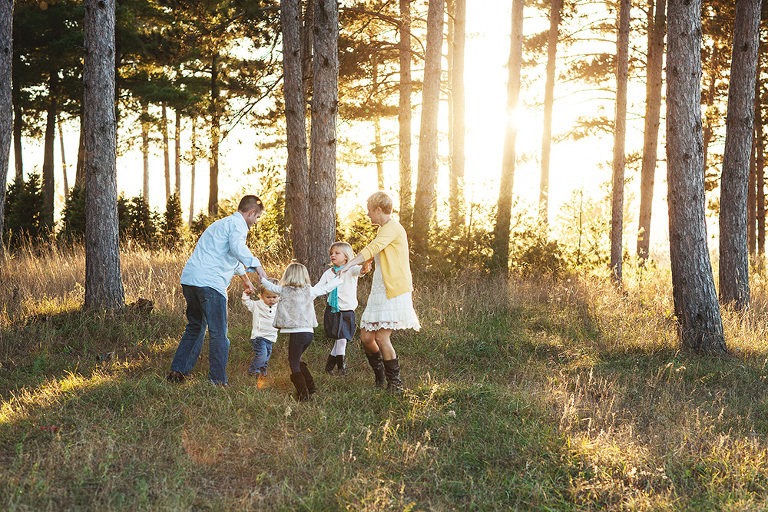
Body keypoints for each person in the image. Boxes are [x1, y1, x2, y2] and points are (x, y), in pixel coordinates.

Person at [166, 195, 268, 386]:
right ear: (251, 212)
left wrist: (246, 280)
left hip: (190, 280)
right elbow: (237, 248)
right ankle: (218, 380)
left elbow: (229, 255)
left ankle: (177, 371)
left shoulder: (221, 224)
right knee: (219, 333)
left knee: (195, 326)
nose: (256, 222)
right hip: (210, 284)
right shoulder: (238, 226)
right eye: (257, 217)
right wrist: (258, 267)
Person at [338, 191, 420, 392]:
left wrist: (349, 264)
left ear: (378, 209)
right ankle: (380, 376)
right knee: (367, 339)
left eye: (369, 211)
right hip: (380, 289)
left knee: (382, 337)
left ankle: (395, 384)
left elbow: (373, 247)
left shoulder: (393, 227)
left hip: (394, 290)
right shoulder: (383, 229)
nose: (368, 214)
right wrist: (366, 262)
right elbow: (379, 250)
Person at [260, 262, 342, 401]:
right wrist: (339, 279)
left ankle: (304, 395)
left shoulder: (284, 290)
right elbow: (325, 288)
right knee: (296, 359)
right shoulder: (309, 290)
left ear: (288, 275)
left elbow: (270, 286)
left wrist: (261, 276)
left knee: (293, 362)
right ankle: (310, 386)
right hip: (309, 333)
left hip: (297, 334)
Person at [316, 242, 370, 376]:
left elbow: (361, 271)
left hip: (347, 312)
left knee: (341, 340)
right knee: (340, 340)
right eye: (331, 253)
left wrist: (365, 265)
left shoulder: (351, 269)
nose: (333, 255)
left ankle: (332, 368)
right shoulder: (328, 273)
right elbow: (318, 288)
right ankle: (339, 369)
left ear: (346, 257)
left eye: (337, 253)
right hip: (333, 311)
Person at [241, 278, 280, 388]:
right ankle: (253, 372)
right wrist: (246, 295)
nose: (271, 300)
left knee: (266, 357)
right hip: (259, 336)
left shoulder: (279, 307)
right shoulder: (257, 305)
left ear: (279, 296)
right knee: (262, 355)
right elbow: (247, 303)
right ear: (261, 296)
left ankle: (262, 375)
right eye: (268, 297)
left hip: (271, 337)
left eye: (274, 297)